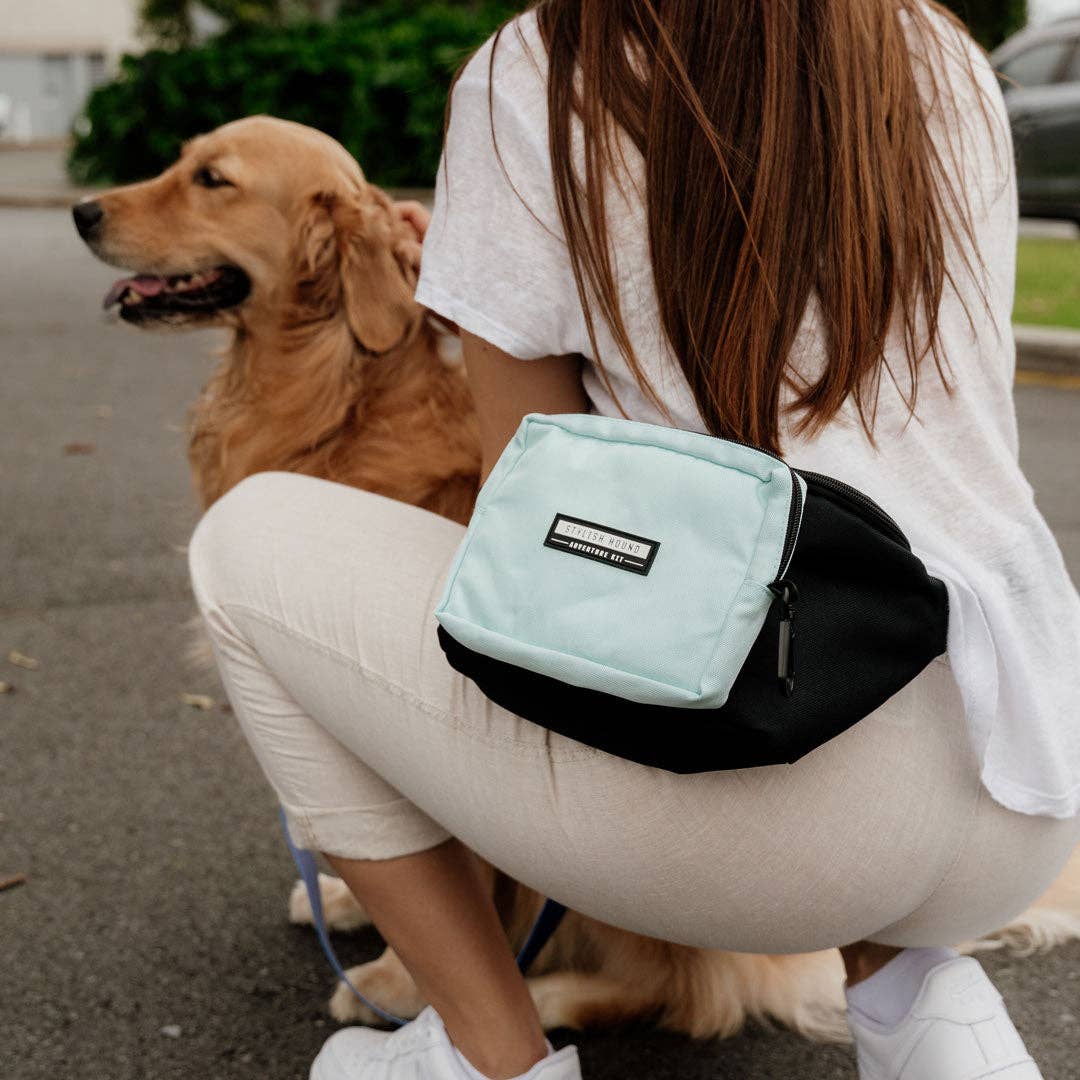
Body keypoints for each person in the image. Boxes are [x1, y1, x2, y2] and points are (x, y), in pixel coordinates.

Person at [186, 2, 1080, 1078]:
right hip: (1019, 773)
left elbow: (543, 500)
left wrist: (486, 303)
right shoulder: (935, 47)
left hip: (771, 809)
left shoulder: (539, 68)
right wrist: (489, 272)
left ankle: (488, 1056)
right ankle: (927, 1015)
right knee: (842, 532)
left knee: (245, 547)